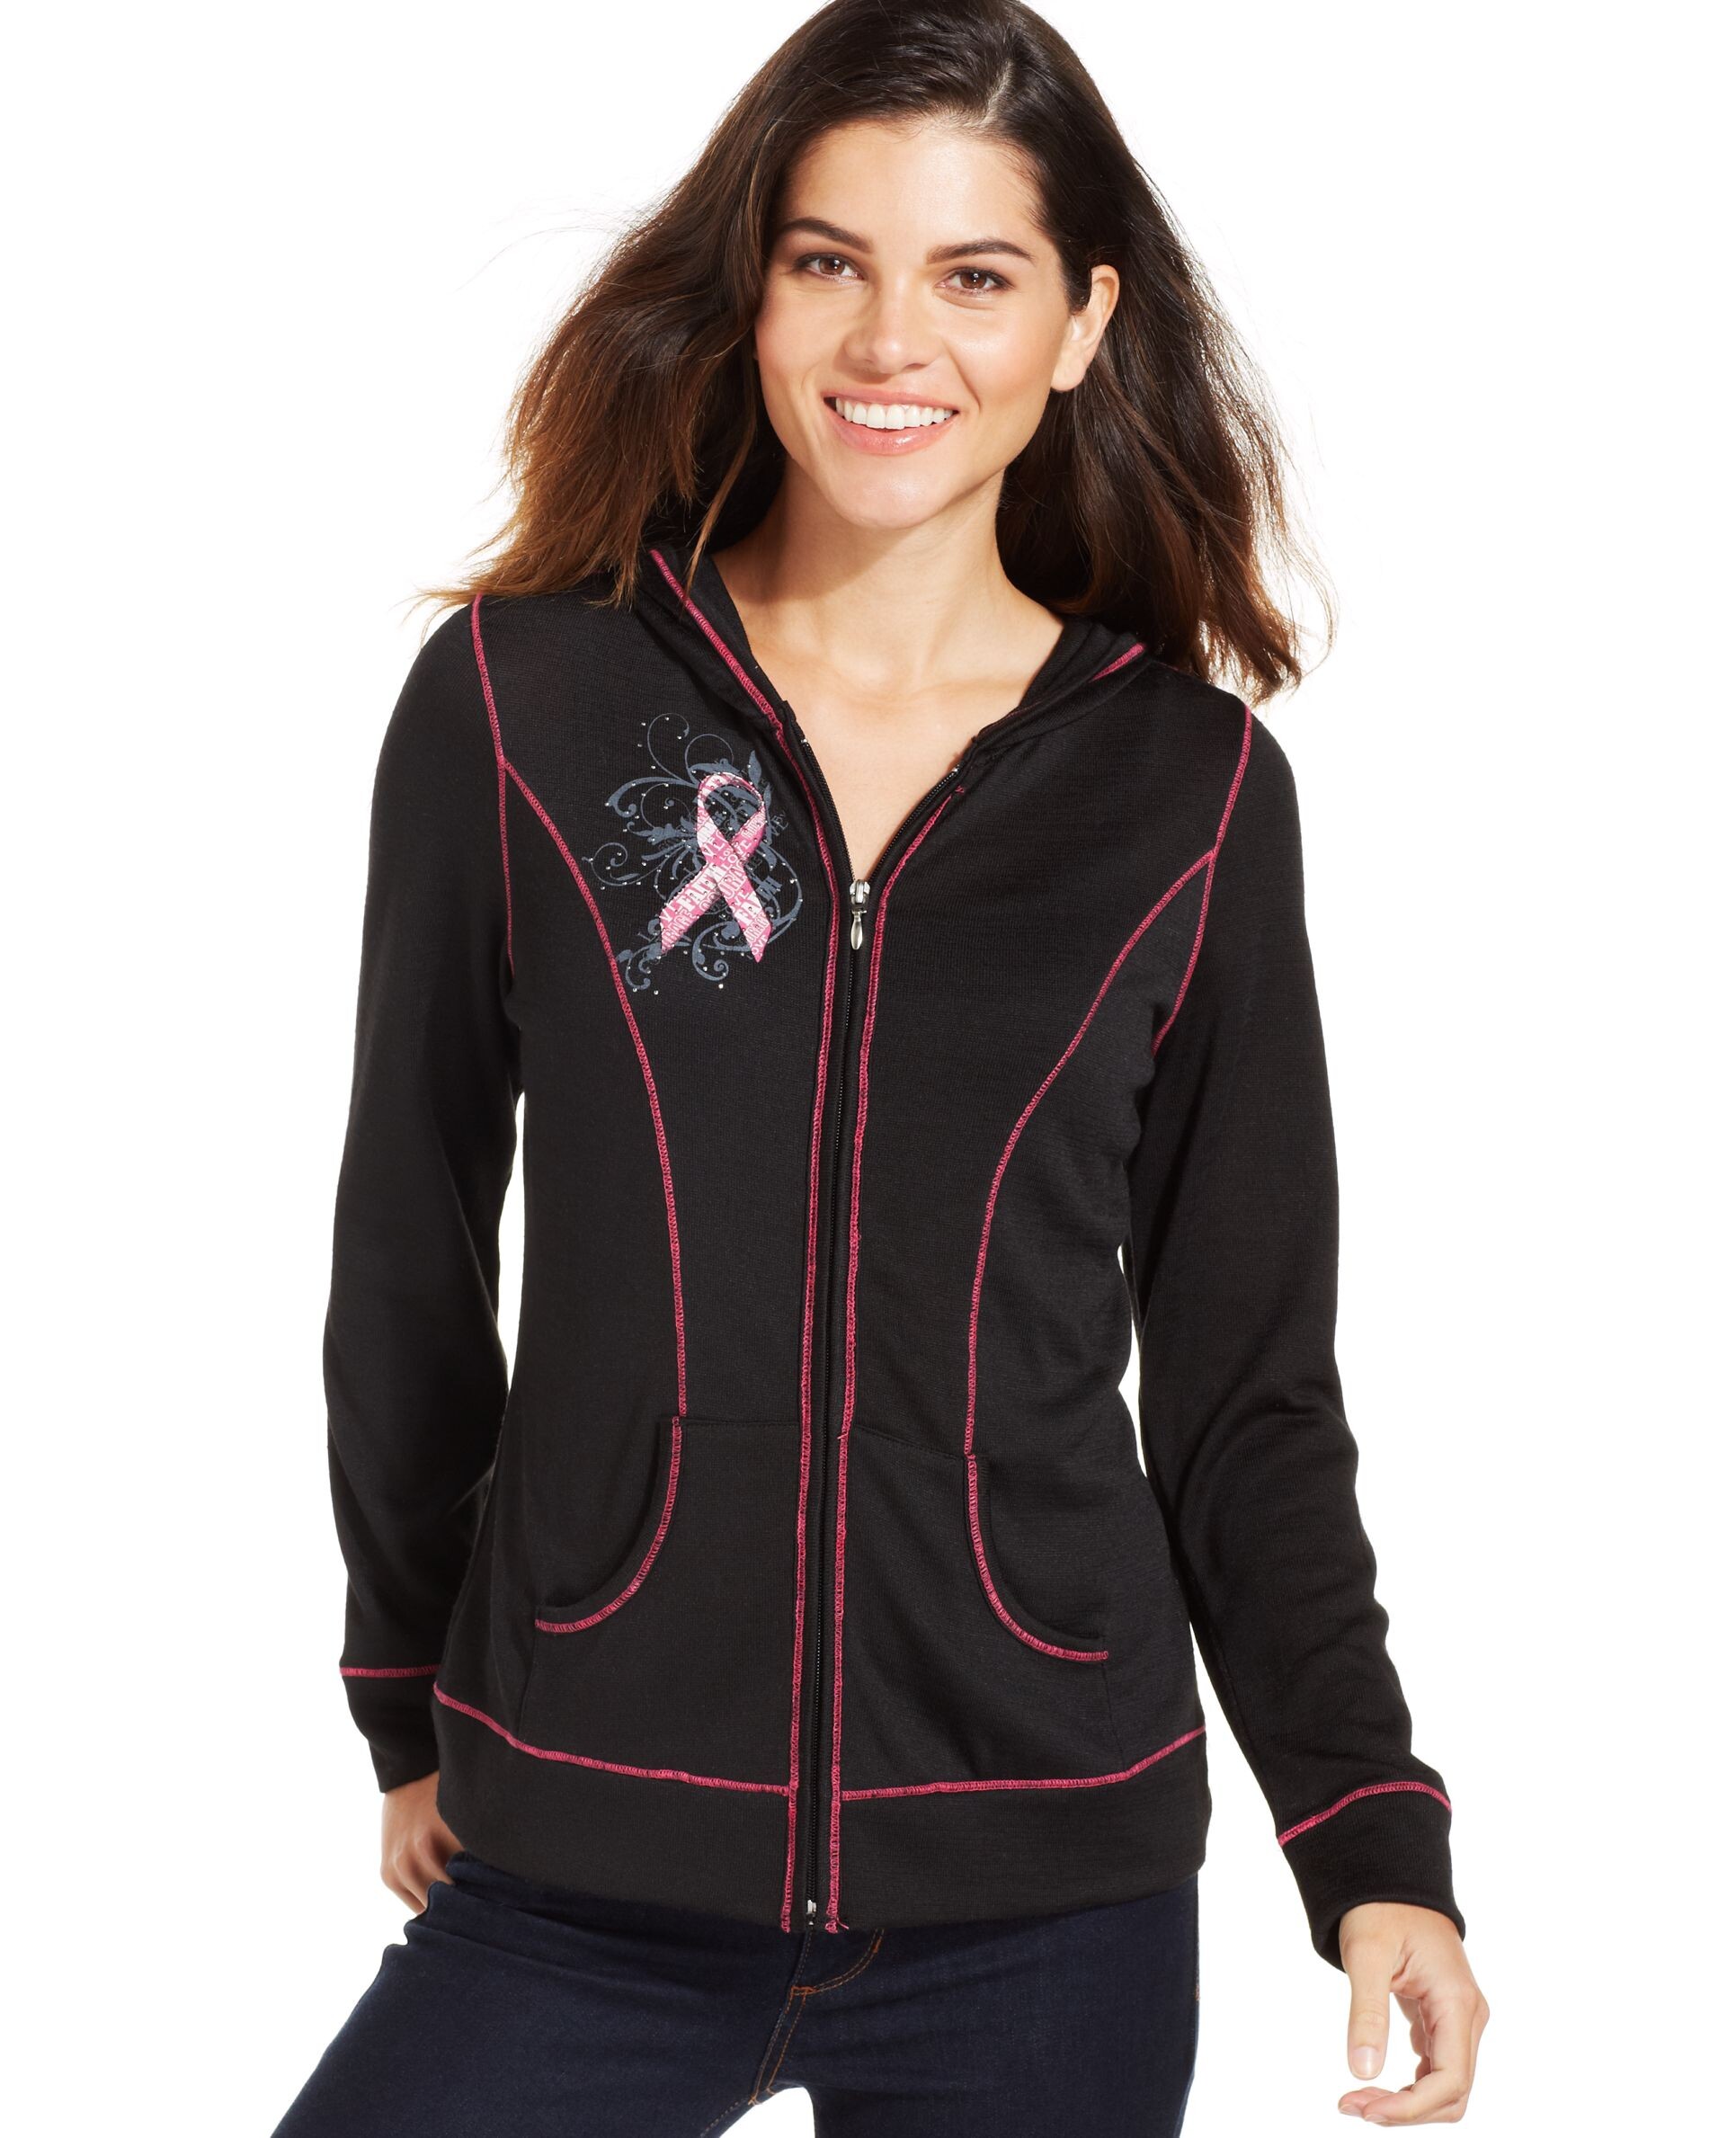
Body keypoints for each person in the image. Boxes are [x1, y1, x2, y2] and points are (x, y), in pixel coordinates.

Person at [276, 4, 1488, 2131]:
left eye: (972, 275)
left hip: (1045, 1891)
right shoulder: (522, 708)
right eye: (826, 260)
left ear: (1082, 323)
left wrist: (1364, 1833)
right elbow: (405, 1249)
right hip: (581, 1850)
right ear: (750, 288)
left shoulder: (1187, 793)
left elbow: (1243, 1386)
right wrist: (407, 1694)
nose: (888, 339)